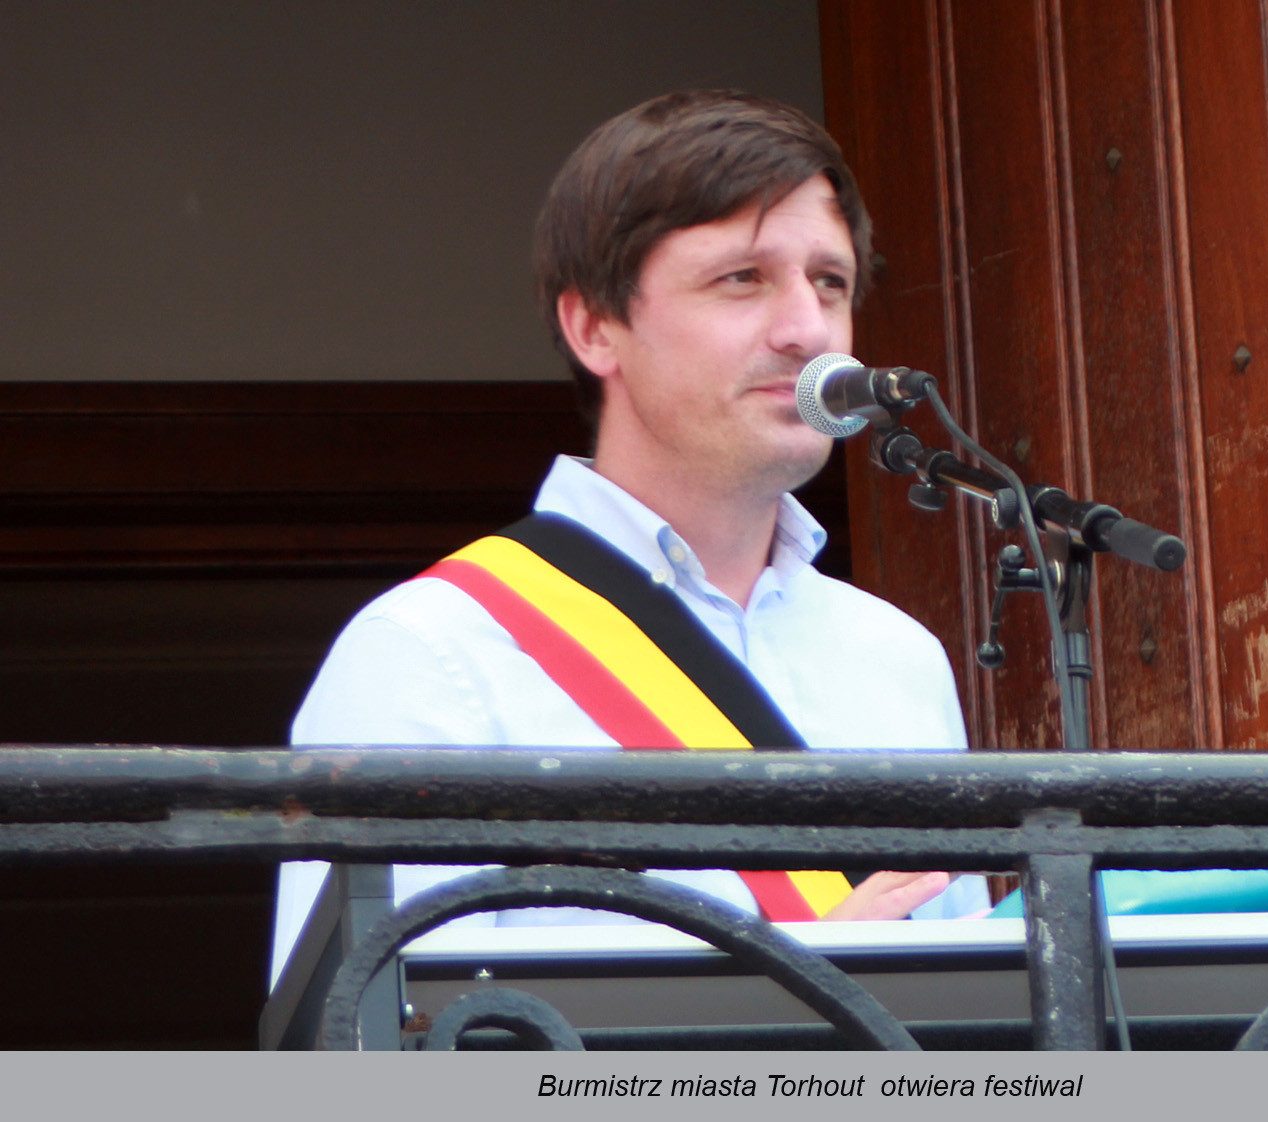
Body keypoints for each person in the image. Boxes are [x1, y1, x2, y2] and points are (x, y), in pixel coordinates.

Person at [271, 90, 987, 984]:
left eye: (829, 282)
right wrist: (796, 998)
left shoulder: (897, 657)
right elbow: (374, 1042)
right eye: (743, 278)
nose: (808, 329)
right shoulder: (427, 654)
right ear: (594, 328)